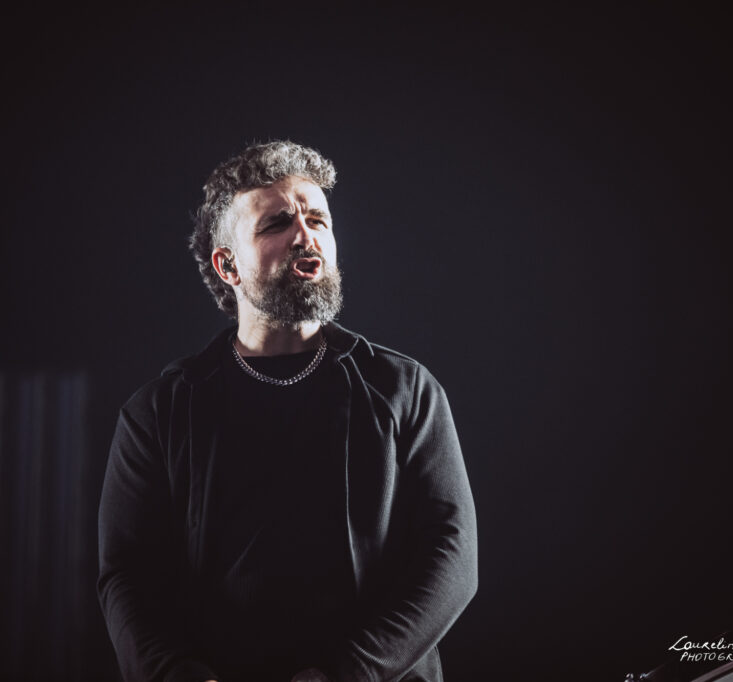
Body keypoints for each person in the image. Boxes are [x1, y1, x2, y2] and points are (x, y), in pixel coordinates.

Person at [97, 140, 477, 682]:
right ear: (228, 265)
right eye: (277, 223)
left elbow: (452, 556)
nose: (305, 235)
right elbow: (126, 577)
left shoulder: (404, 390)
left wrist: (350, 674)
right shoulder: (158, 413)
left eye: (318, 219)